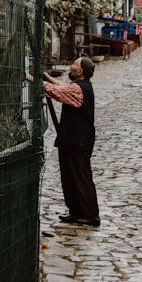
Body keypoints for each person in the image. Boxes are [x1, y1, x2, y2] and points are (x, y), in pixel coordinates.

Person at [42, 57, 100, 227]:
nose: (71, 66)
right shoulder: (79, 86)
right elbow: (63, 87)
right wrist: (45, 77)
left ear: (80, 71)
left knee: (80, 177)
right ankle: (77, 211)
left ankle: (89, 214)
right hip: (73, 139)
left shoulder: (78, 89)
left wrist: (39, 82)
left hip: (78, 141)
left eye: (74, 64)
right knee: (70, 177)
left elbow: (57, 92)